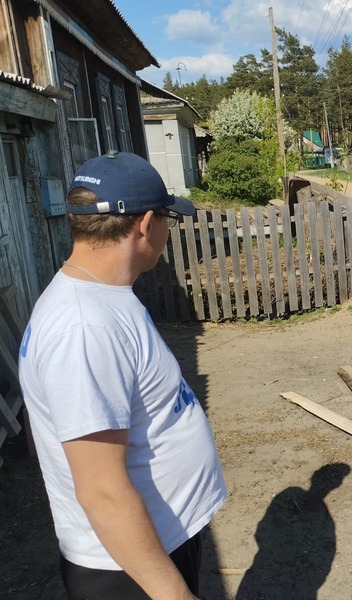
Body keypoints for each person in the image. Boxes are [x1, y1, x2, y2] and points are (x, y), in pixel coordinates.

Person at [18, 151, 227, 600]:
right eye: (169, 220)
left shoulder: (103, 298)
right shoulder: (84, 327)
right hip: (128, 571)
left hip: (153, 543)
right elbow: (102, 491)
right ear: (146, 224)